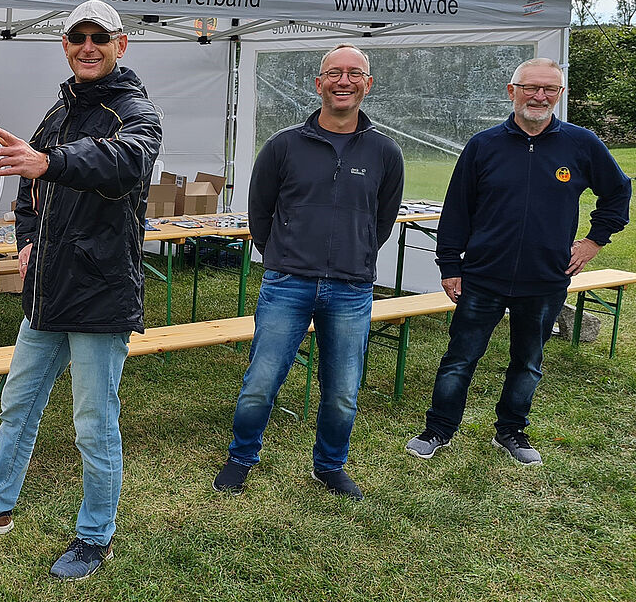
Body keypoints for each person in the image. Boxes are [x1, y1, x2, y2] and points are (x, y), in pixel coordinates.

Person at [0, 0, 161, 580]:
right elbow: (28, 186)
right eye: (77, 37)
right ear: (64, 45)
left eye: (99, 38)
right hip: (47, 289)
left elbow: (124, 163)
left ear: (120, 45)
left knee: (94, 423)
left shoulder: (135, 112)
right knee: (18, 403)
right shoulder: (59, 111)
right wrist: (27, 240)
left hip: (101, 291)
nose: (88, 47)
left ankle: (95, 536)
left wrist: (50, 162)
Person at [405, 58, 630, 465]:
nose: (539, 96)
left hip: (545, 278)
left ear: (559, 95)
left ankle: (510, 431)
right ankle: (438, 429)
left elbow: (618, 192)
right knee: (459, 359)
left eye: (549, 89)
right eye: (530, 87)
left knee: (527, 362)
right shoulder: (484, 145)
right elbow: (457, 209)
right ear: (512, 91)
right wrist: (450, 266)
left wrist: (594, 242)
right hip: (482, 276)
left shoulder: (581, 144)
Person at [213, 43, 404, 500]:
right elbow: (260, 213)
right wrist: (283, 257)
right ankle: (242, 456)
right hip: (287, 284)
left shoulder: (385, 152)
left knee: (342, 390)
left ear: (368, 84)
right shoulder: (283, 145)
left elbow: (382, 219)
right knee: (261, 381)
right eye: (334, 73)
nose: (344, 81)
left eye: (354, 73)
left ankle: (330, 466)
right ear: (318, 84)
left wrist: (356, 256)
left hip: (351, 289)